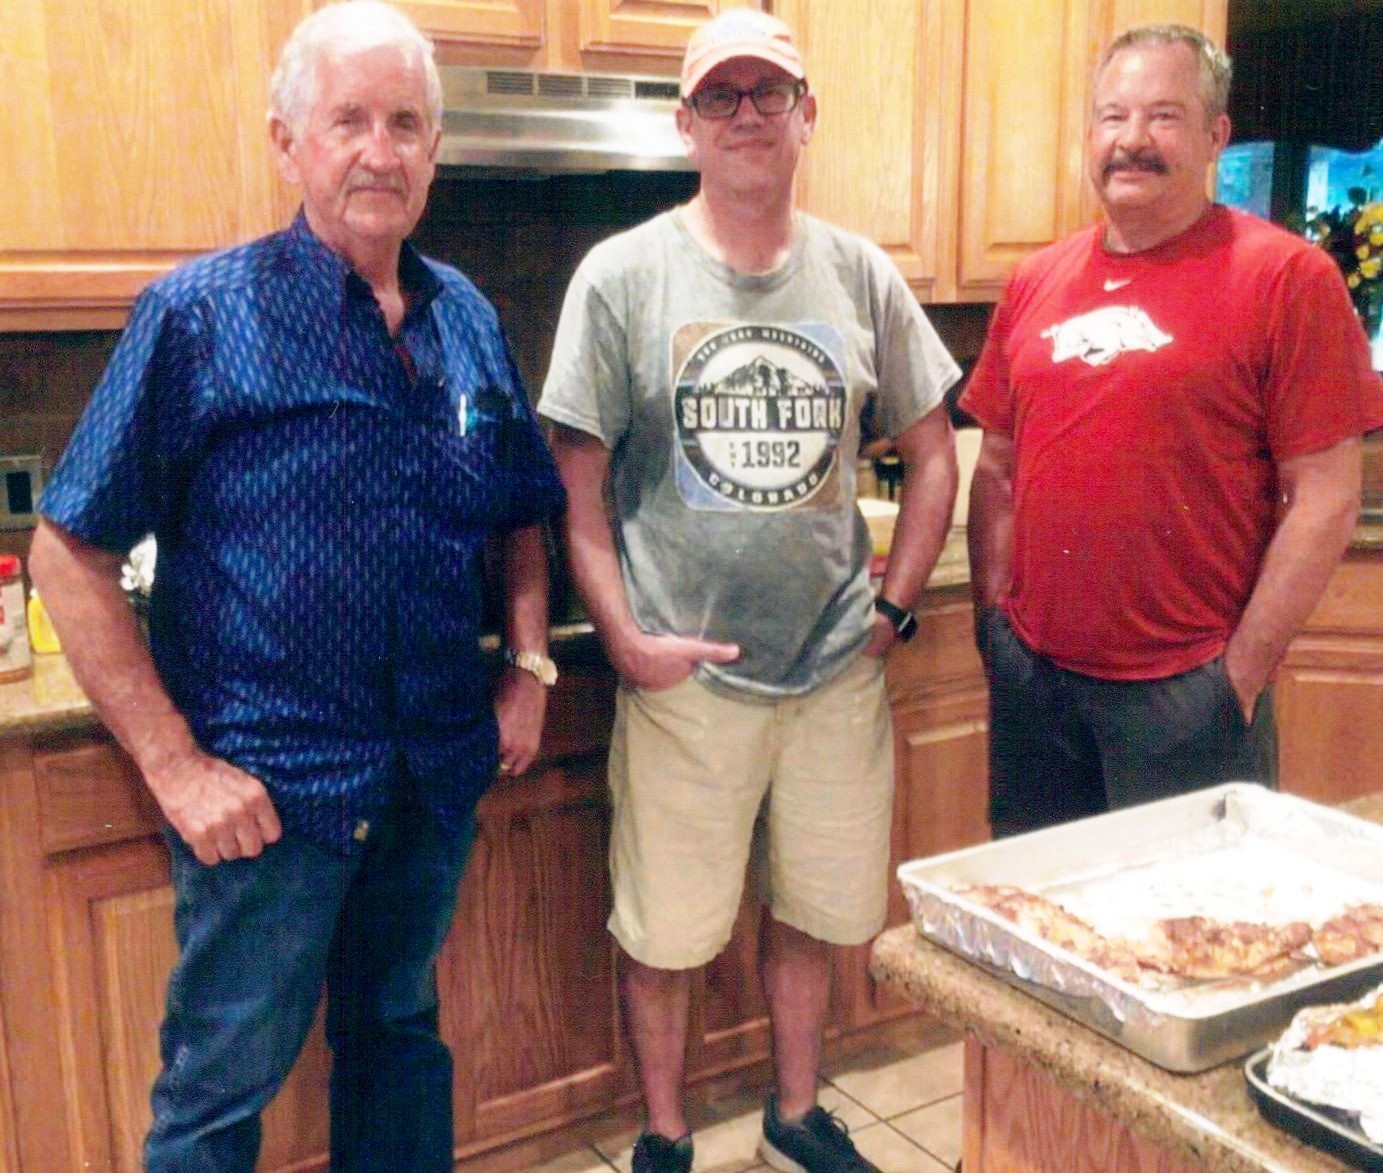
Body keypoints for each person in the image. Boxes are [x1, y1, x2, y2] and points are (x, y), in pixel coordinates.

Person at [28, 2, 565, 1168]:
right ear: (288, 143)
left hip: (430, 774)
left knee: (398, 1038)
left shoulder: (467, 318)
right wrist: (176, 766)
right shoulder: (201, 316)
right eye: (348, 120)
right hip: (269, 803)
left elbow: (521, 505)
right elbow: (67, 556)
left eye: (406, 124)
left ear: (434, 150)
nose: (380, 150)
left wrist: (528, 667)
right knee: (218, 1098)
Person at [538, 11, 960, 1172]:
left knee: (815, 913)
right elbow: (574, 488)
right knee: (666, 934)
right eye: (719, 96)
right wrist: (627, 639)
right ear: (686, 123)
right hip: (687, 681)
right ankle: (666, 1134)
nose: (746, 116)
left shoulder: (860, 273)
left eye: (768, 93)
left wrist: (894, 609)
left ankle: (795, 1114)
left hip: (835, 673)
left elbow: (935, 453)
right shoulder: (622, 277)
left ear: (806, 115)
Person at [961, 23, 1383, 839]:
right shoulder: (1035, 279)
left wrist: (1238, 675)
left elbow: (1326, 495)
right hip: (1034, 683)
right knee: (1032, 909)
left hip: (1185, 692)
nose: (1131, 140)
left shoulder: (1284, 277)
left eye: (1162, 116)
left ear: (1215, 135)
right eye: (1111, 116)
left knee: (1189, 915)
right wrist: (994, 627)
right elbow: (997, 469)